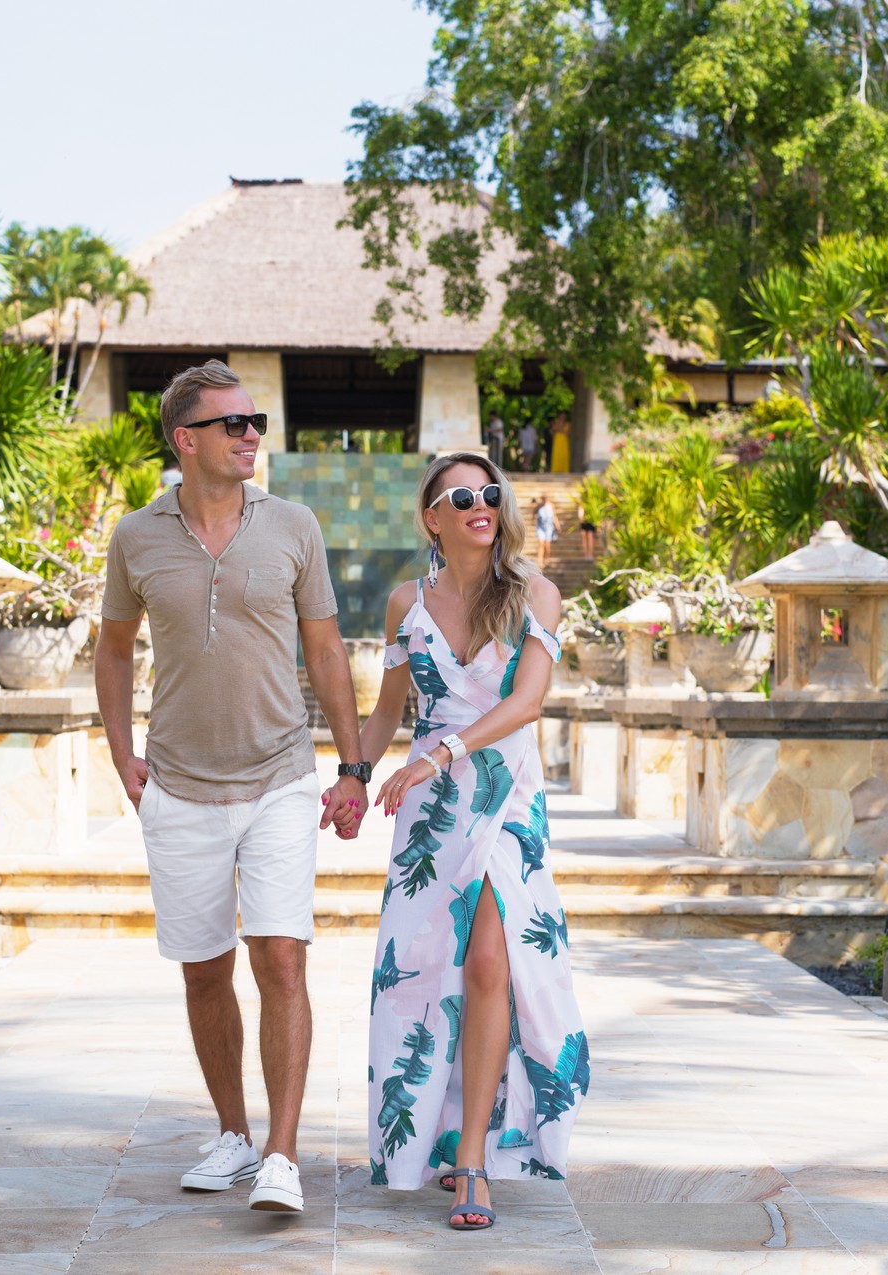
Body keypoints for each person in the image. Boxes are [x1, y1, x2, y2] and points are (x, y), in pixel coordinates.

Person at [93, 359, 370, 1217]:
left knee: (280, 955)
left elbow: (325, 652)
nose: (253, 435)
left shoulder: (292, 524)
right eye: (235, 423)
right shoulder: (137, 537)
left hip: (281, 775)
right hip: (175, 785)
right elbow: (112, 646)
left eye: (256, 422)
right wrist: (119, 750)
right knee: (205, 970)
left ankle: (282, 1153)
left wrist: (353, 766)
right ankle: (233, 1134)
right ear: (187, 440)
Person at [353, 452, 587, 1231]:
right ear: (433, 517)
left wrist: (442, 753)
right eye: (463, 496)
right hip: (430, 809)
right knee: (427, 975)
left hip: (504, 795)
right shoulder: (404, 605)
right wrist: (353, 772)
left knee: (490, 960)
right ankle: (434, 1138)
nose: (481, 504)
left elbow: (526, 704)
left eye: (491, 492)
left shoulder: (534, 595)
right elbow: (388, 706)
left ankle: (475, 1160)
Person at [532, 495, 559, 569]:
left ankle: (546, 559)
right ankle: (540, 560)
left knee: (547, 544)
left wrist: (557, 525)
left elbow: (554, 516)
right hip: (540, 527)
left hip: (549, 527)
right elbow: (533, 513)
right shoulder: (539, 506)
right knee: (540, 543)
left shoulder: (551, 506)